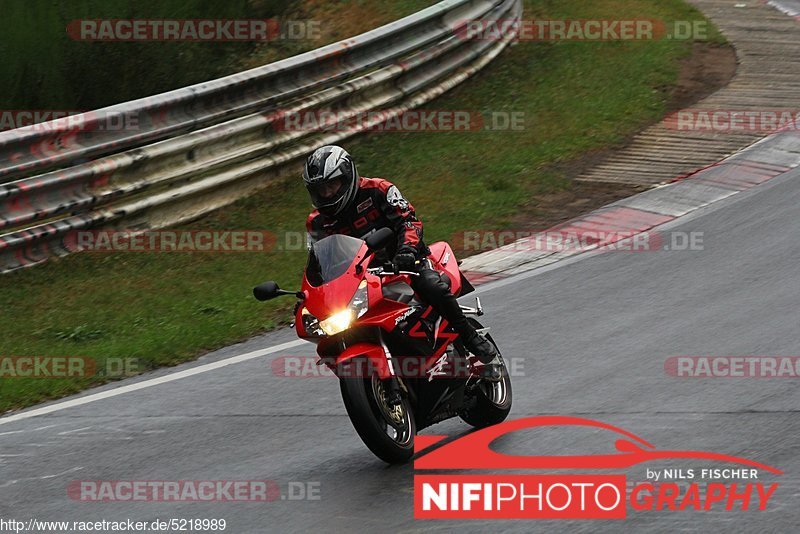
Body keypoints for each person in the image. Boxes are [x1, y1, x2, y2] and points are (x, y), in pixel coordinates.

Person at [303, 145, 501, 382]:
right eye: (320, 190)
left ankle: (470, 337)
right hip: (361, 279)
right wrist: (311, 291)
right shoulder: (316, 222)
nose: (326, 194)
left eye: (331, 185)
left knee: (431, 286)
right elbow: (318, 259)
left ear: (347, 176)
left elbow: (409, 222)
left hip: (405, 262)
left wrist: (406, 250)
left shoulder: (378, 190)